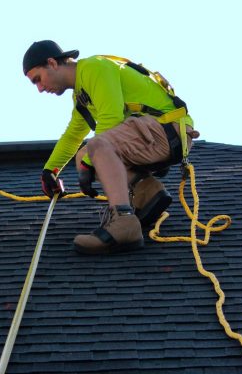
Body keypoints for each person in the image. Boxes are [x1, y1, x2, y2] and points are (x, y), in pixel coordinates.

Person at [23, 40, 199, 255]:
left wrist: (90, 161)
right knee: (85, 154)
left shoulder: (94, 67)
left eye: (37, 80)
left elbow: (111, 118)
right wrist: (50, 171)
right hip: (156, 133)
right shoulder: (81, 95)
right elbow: (73, 135)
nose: (40, 89)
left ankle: (124, 222)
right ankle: (148, 192)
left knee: (96, 147)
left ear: (51, 63)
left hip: (165, 129)